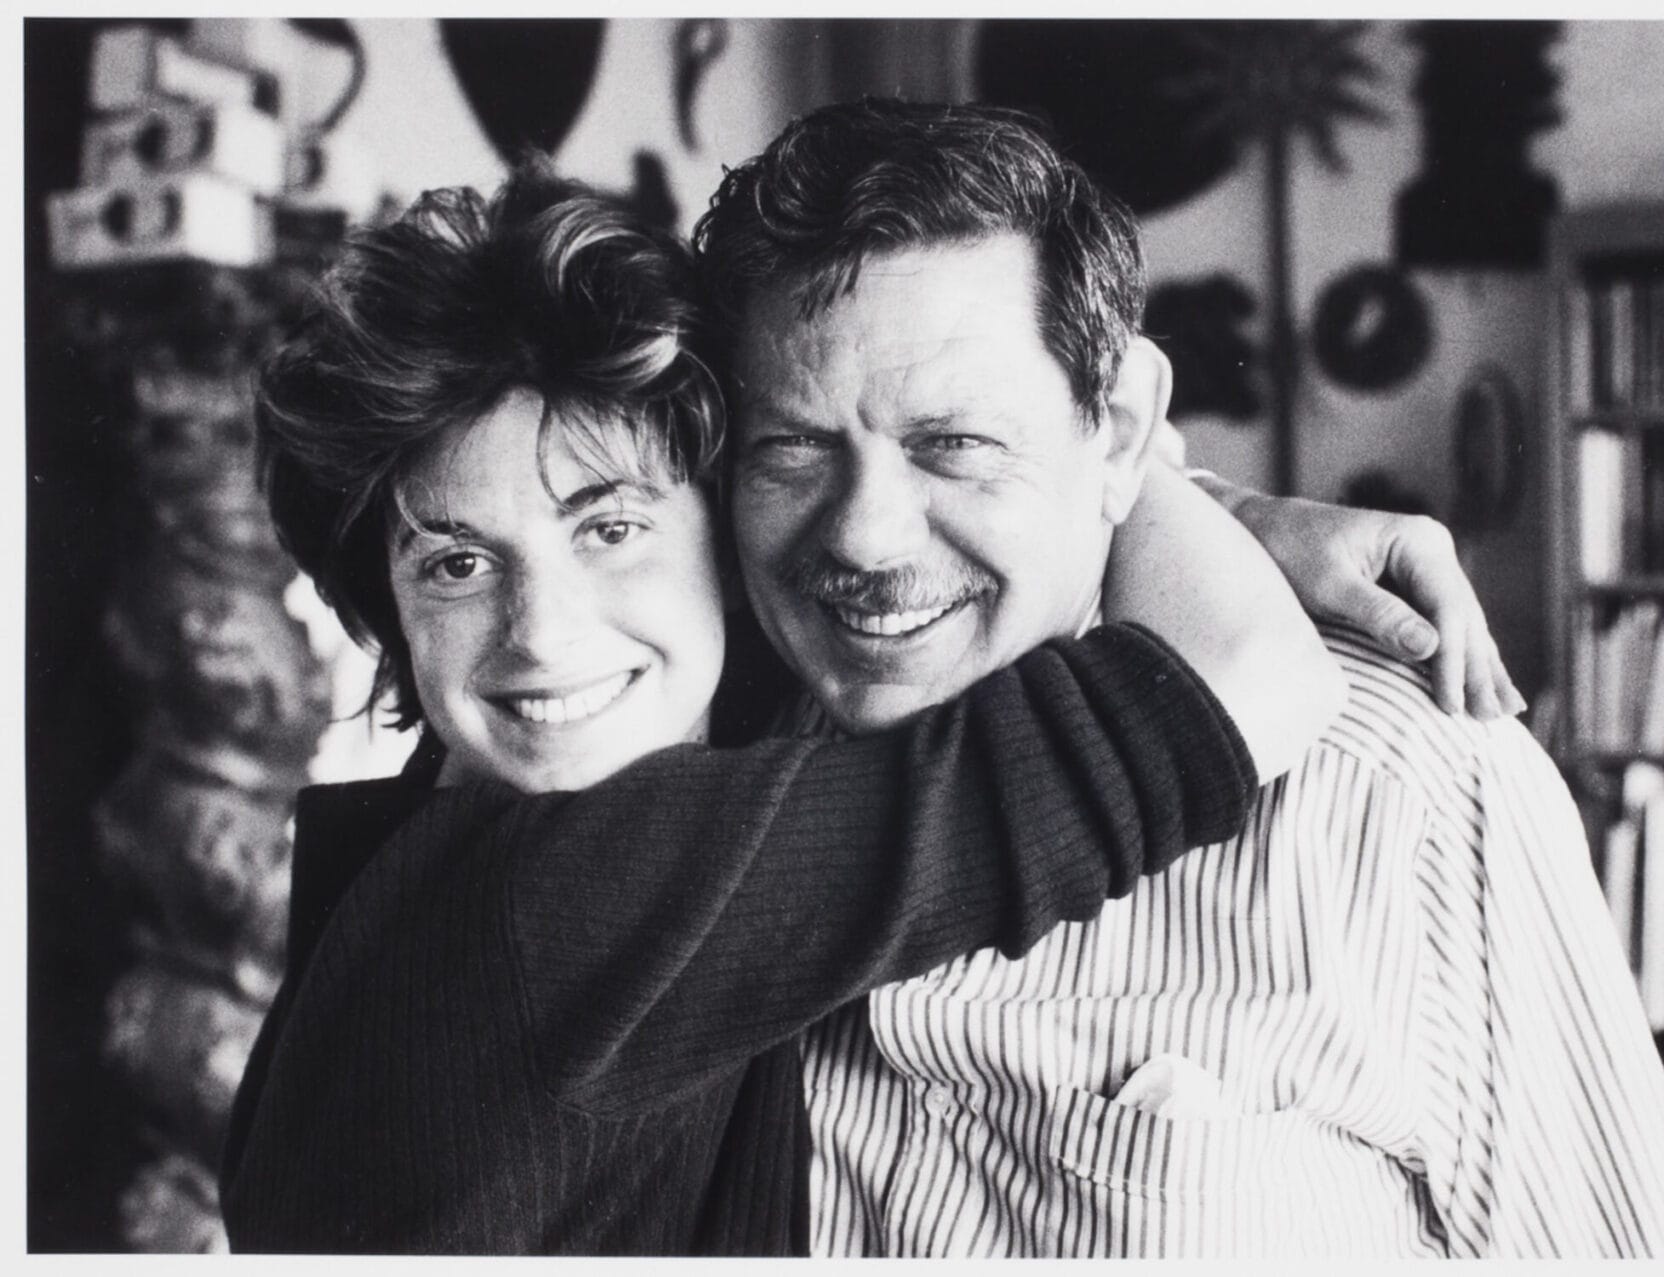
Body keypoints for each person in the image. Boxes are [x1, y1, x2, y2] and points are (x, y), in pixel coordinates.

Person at [215, 163, 1407, 1253]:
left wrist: (1198, 492)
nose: (543, 634)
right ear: (388, 604)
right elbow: (1240, 683)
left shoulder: (435, 839)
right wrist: (1128, 460)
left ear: (727, 527)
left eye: (610, 527)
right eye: (456, 564)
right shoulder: (573, 887)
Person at [692, 97, 1664, 1258]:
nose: (868, 539)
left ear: (1125, 425)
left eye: (955, 445)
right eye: (792, 449)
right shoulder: (685, 765)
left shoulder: (1406, 788)